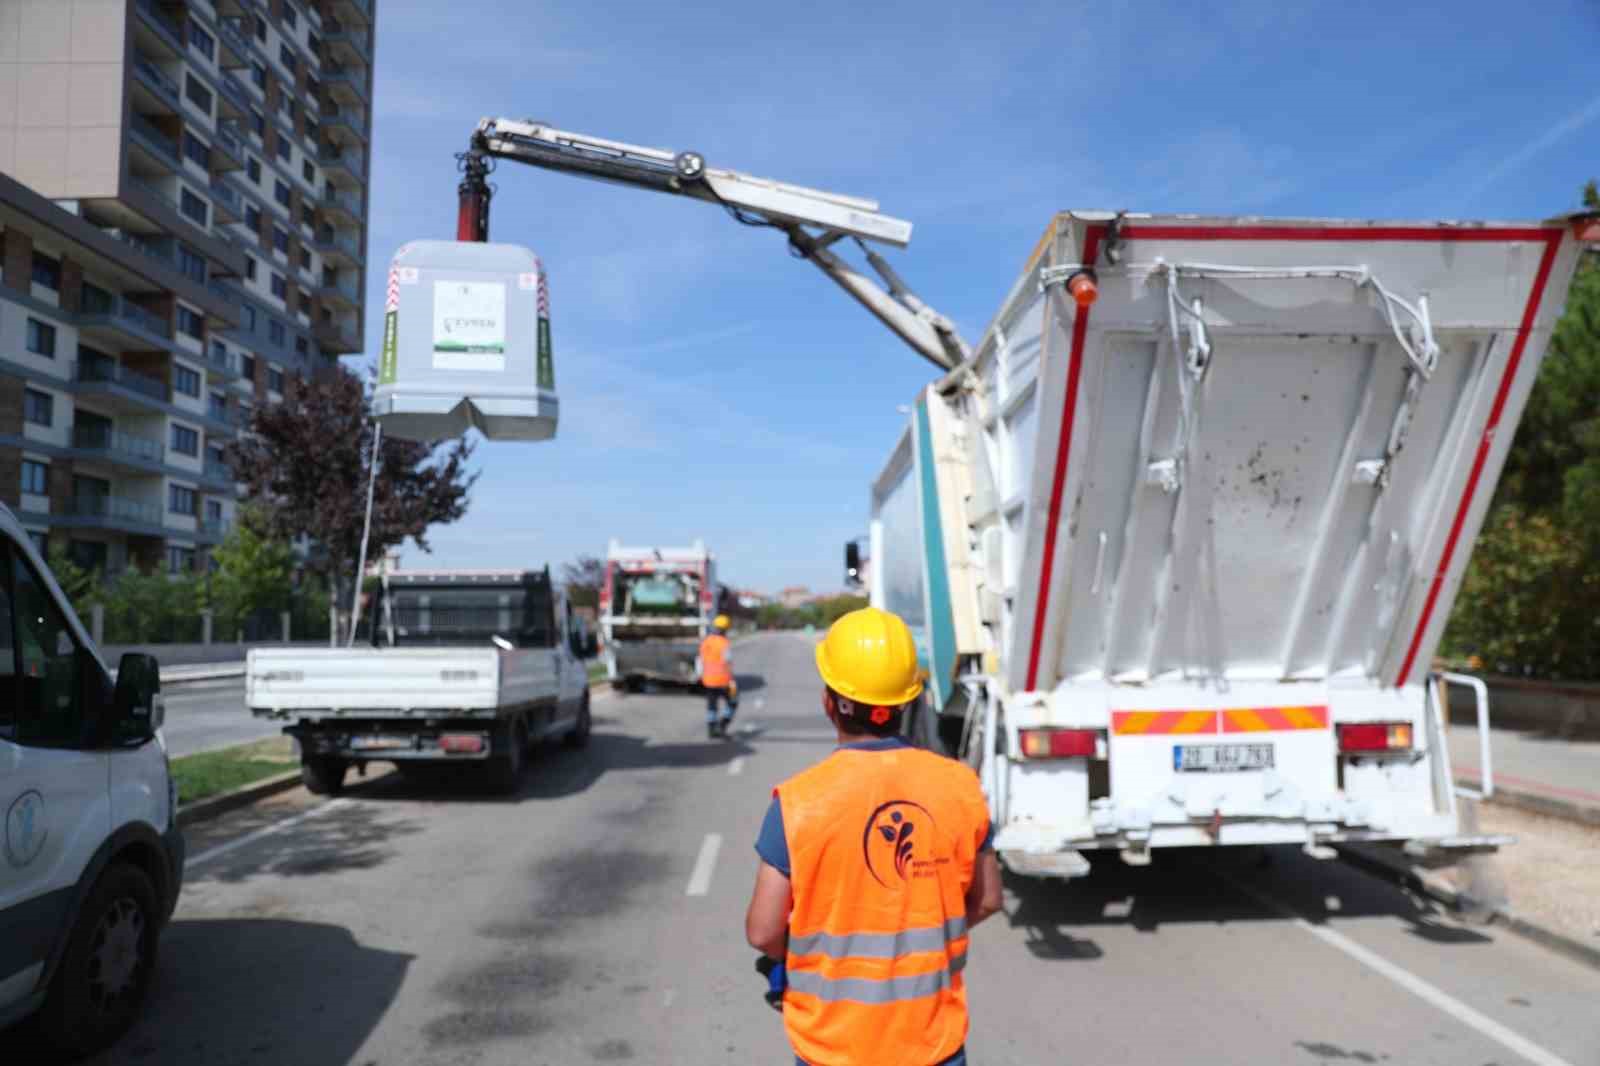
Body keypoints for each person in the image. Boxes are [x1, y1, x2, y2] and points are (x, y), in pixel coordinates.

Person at [745, 607, 1004, 1066]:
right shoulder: (961, 787)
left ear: (830, 702)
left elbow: (764, 930)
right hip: (931, 1044)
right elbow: (985, 901)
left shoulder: (798, 802)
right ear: (907, 703)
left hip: (831, 1048)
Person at [699, 613, 738, 738]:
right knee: (733, 702)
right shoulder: (724, 643)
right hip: (723, 680)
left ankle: (711, 729)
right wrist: (732, 680)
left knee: (712, 705)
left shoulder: (706, 641)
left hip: (708, 680)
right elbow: (727, 661)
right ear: (726, 628)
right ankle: (722, 726)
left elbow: (701, 660)